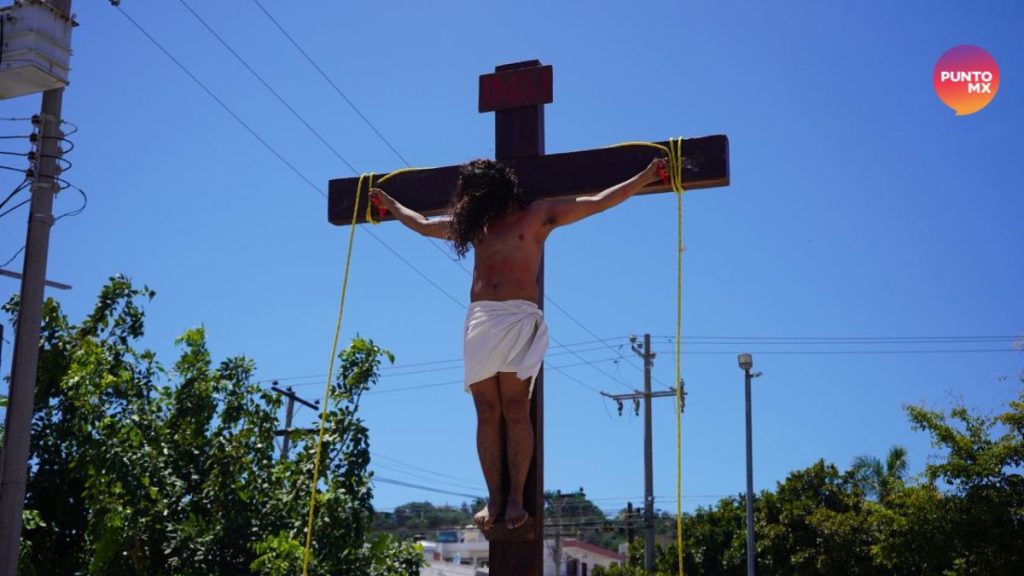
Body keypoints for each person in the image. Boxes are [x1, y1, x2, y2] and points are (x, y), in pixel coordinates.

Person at [368, 156, 667, 530]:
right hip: (481, 319)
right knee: (486, 410)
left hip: (519, 317)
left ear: (495, 190)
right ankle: (494, 497)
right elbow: (425, 225)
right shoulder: (476, 225)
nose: (469, 202)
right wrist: (391, 204)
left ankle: (514, 499)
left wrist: (645, 176)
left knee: (514, 407)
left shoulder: (536, 215)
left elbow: (598, 201)